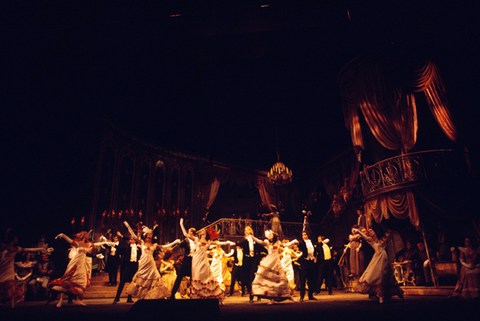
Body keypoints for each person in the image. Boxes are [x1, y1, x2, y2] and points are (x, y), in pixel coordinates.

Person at [180, 218, 233, 302]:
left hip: (204, 260)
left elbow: (218, 243)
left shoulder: (208, 242)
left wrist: (227, 242)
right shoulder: (196, 239)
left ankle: (207, 294)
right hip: (196, 260)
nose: (202, 231)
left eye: (203, 230)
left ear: (206, 233)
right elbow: (185, 234)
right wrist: (181, 224)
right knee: (197, 275)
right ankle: (197, 295)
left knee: (206, 276)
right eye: (201, 230)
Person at [123, 221, 180, 300]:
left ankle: (151, 297)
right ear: (146, 234)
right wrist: (128, 226)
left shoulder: (154, 245)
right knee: (142, 279)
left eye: (151, 233)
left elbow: (164, 246)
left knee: (155, 277)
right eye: (149, 233)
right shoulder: (142, 243)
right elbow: (134, 237)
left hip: (151, 263)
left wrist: (174, 242)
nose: (150, 234)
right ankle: (142, 296)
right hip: (143, 263)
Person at [1, 229, 50, 308]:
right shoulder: (5, 247)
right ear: (13, 239)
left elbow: (27, 249)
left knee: (11, 289)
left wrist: (39, 249)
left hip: (9, 271)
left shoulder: (16, 248)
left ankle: (12, 307)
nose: (17, 239)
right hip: (3, 269)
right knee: (5, 289)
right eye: (16, 238)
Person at [353, 228, 404, 303]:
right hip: (378, 259)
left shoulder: (382, 239)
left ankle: (399, 294)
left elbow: (389, 233)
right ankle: (380, 296)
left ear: (374, 231)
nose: (370, 233)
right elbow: (364, 237)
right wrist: (358, 231)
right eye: (369, 232)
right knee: (378, 275)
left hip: (385, 258)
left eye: (371, 231)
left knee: (389, 276)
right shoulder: (371, 240)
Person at [250, 230, 298, 304]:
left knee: (282, 279)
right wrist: (252, 237)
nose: (269, 236)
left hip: (276, 262)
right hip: (269, 261)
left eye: (270, 235)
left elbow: (285, 245)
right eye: (268, 235)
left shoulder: (278, 242)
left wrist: (293, 242)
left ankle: (289, 296)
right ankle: (272, 299)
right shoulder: (267, 242)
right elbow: (259, 241)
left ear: (274, 235)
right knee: (268, 278)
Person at [47, 231, 93, 307]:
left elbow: (87, 251)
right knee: (66, 281)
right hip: (70, 266)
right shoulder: (74, 247)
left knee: (81, 281)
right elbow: (62, 250)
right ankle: (60, 301)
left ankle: (77, 300)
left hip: (80, 266)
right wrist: (62, 235)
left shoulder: (82, 246)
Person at [170, 223, 197, 299]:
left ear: (192, 233)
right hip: (186, 260)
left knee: (193, 278)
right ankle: (173, 294)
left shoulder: (196, 240)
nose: (188, 233)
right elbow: (180, 245)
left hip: (194, 260)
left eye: (189, 231)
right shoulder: (186, 241)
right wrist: (179, 242)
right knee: (179, 276)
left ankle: (193, 293)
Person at [113, 235, 140, 304]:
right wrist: (114, 245)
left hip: (134, 266)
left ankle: (129, 298)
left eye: (132, 239)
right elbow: (120, 249)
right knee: (122, 282)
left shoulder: (138, 248)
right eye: (130, 240)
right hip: (127, 266)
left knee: (132, 282)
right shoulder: (126, 247)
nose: (130, 241)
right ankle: (117, 298)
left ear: (135, 240)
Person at [237, 226, 261, 303]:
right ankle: (251, 293)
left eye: (249, 229)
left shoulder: (254, 239)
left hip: (254, 260)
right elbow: (238, 243)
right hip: (247, 260)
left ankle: (254, 295)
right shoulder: (244, 240)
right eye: (246, 230)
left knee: (253, 277)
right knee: (247, 277)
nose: (248, 231)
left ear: (251, 231)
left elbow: (260, 247)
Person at [297, 231, 316, 301]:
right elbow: (299, 244)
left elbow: (315, 249)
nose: (304, 236)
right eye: (302, 235)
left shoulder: (312, 242)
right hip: (304, 262)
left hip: (311, 261)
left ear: (308, 235)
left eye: (305, 235)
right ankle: (302, 296)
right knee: (303, 279)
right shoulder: (302, 242)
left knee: (311, 279)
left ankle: (310, 295)